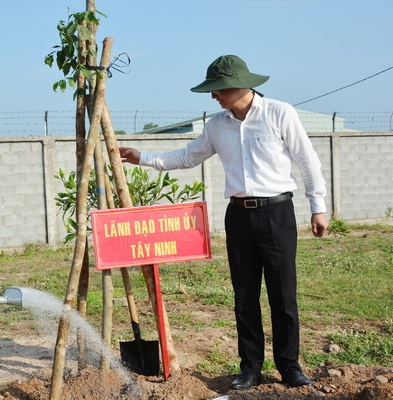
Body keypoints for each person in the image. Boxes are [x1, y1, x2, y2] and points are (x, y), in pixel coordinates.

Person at [120, 55, 328, 390]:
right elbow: (188, 156)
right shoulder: (216, 125)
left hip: (277, 214)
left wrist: (317, 207)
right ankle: (250, 368)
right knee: (244, 295)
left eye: (218, 90)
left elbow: (307, 160)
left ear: (239, 86)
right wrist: (142, 158)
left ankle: (289, 366)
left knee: (283, 294)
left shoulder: (279, 112)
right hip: (239, 216)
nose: (213, 96)